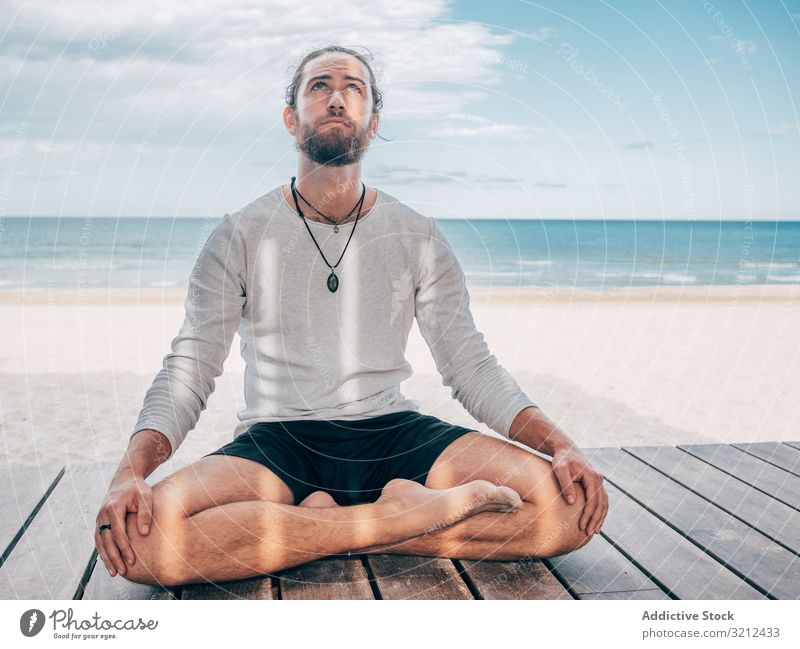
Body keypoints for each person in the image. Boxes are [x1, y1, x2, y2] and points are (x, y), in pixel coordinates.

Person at [94, 45, 607, 587]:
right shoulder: (240, 234)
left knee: (571, 511)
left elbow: (470, 365)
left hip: (396, 434)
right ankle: (391, 518)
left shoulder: (418, 235)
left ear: (373, 121)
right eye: (319, 86)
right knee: (140, 547)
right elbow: (190, 367)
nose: (336, 97)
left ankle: (326, 528)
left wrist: (559, 444)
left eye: (353, 87)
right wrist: (130, 473)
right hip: (280, 442)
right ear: (292, 118)